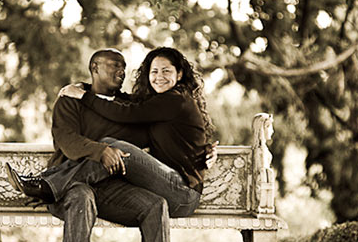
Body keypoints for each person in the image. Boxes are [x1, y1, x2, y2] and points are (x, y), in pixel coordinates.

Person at [9, 48, 184, 242]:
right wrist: (100, 152)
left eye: (123, 67)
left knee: (155, 205)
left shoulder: (129, 106)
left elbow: (158, 136)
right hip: (73, 186)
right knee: (82, 197)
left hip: (112, 189)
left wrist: (200, 151)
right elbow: (67, 141)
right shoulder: (71, 99)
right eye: (114, 65)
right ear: (94, 68)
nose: (121, 72)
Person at [13, 47, 215, 218]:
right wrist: (85, 88)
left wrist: (84, 96)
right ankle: (50, 185)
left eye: (166, 71)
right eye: (154, 72)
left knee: (113, 146)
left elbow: (125, 112)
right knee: (110, 147)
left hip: (181, 193)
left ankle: (48, 185)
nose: (159, 77)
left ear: (179, 75)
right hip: (166, 185)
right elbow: (125, 102)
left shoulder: (176, 99)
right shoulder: (156, 104)